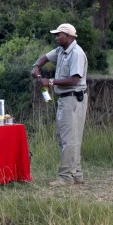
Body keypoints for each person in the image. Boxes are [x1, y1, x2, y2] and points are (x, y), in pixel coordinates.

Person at [32, 23, 89, 185]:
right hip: (66, 98)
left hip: (73, 98)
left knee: (68, 138)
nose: (56, 37)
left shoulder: (76, 54)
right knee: (70, 137)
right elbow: (44, 58)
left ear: (69, 36)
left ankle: (65, 177)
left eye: (59, 35)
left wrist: (49, 81)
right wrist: (36, 66)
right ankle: (76, 174)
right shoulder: (61, 51)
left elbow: (74, 79)